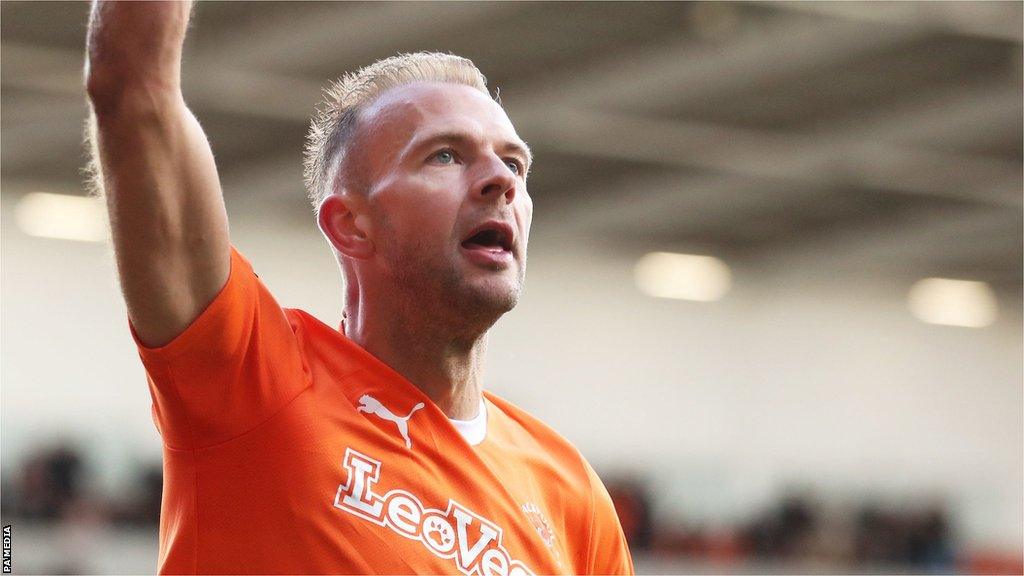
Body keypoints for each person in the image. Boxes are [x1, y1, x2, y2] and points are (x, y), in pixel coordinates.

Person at [85, 1, 633, 574]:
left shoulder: (571, 492)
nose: (500, 181)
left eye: (515, 165)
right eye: (445, 155)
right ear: (351, 225)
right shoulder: (255, 381)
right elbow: (131, 86)